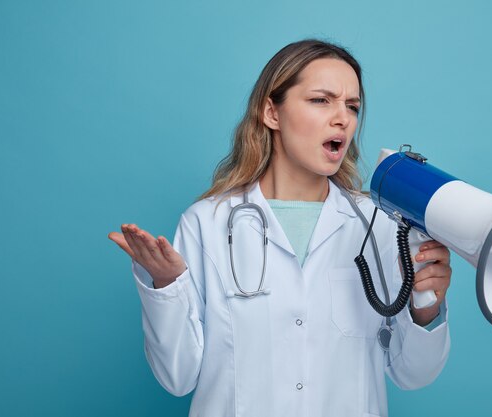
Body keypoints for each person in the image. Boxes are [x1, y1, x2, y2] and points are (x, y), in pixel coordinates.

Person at [108, 39, 452, 417]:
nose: (343, 118)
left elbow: (414, 375)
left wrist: (426, 309)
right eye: (321, 100)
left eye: (352, 106)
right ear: (272, 112)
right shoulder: (206, 222)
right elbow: (177, 377)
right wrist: (165, 286)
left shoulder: (380, 225)